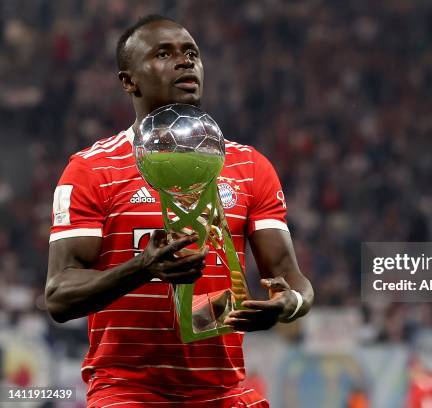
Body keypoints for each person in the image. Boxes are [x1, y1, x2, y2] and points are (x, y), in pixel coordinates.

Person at [45, 14, 313, 407]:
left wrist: (288, 305)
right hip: (129, 390)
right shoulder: (91, 170)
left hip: (225, 391)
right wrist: (142, 268)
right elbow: (58, 296)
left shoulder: (250, 167)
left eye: (192, 53)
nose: (185, 61)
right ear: (128, 81)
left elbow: (292, 280)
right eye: (163, 54)